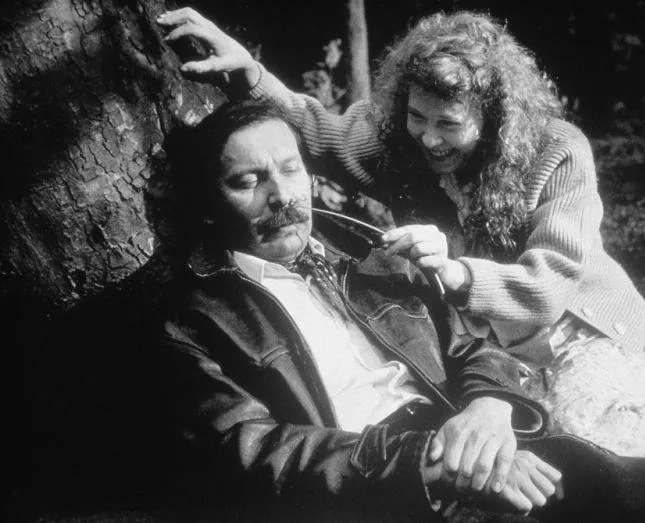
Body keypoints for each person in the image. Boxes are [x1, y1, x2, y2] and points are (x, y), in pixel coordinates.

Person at [151, 97, 645, 522]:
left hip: (473, 437)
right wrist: (427, 462)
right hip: (376, 489)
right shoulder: (194, 317)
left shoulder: (369, 257)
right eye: (247, 181)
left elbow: (472, 346)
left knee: (616, 485)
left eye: (290, 168)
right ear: (210, 205)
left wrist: (490, 408)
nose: (280, 195)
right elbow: (247, 451)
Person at [156, 7, 645, 365]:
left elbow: (548, 289)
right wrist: (250, 74)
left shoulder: (557, 150)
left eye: (449, 123)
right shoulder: (403, 149)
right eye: (416, 116)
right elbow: (322, 135)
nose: (429, 139)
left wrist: (453, 273)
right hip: (493, 353)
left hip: (586, 334)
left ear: (493, 117)